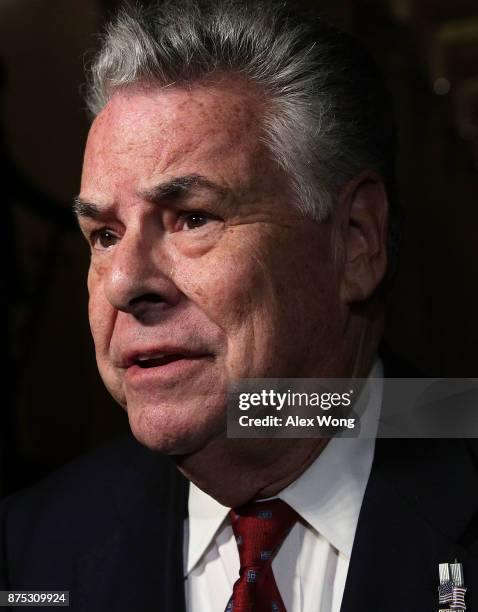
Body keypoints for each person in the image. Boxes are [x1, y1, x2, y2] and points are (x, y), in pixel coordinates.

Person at [1, 1, 477, 611]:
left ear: (356, 240)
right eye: (105, 235)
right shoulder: (29, 549)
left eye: (192, 218)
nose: (123, 283)